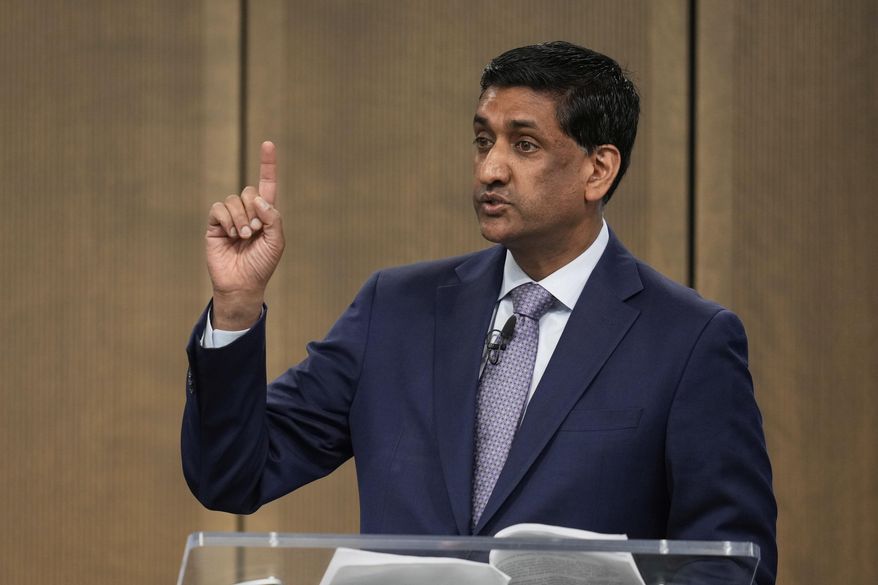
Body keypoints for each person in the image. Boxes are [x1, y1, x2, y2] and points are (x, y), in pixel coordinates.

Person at [182, 41, 777, 584]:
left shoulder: (690, 339)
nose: (490, 168)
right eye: (482, 140)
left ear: (599, 169)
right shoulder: (396, 310)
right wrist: (236, 307)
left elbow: (727, 561)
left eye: (524, 144)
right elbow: (233, 474)